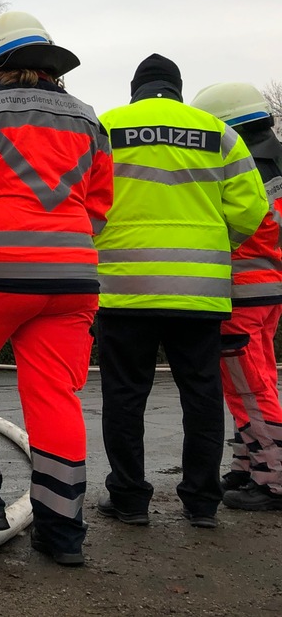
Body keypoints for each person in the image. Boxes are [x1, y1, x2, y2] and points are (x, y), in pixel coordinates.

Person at [0, 11, 112, 567]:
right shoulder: (89, 117)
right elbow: (100, 207)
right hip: (75, 277)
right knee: (56, 395)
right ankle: (62, 532)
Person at [94, 55, 269, 530]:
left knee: (126, 396)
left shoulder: (106, 127)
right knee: (202, 395)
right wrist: (216, 246)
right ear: (177, 89)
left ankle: (129, 499)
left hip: (124, 290)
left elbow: (79, 197)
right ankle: (201, 503)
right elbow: (251, 210)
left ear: (135, 90)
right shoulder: (218, 133)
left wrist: (100, 244)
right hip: (200, 292)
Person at [191, 81, 282, 511]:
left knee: (250, 388)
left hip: (240, 293)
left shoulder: (245, 170)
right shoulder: (275, 162)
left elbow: (226, 230)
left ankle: (273, 480)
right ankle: (248, 465)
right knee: (251, 383)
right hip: (269, 292)